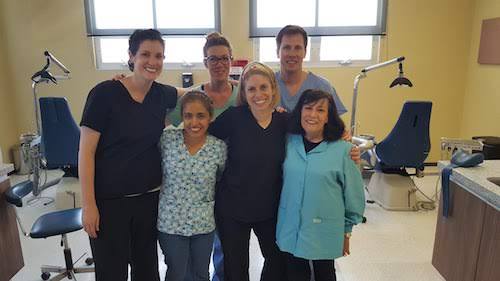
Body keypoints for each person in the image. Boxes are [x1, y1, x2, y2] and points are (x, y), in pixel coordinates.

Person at [79, 29, 179, 281]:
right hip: (110, 204)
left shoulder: (160, 94)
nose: (153, 62)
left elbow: (199, 94)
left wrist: (239, 86)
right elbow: (86, 152)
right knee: (112, 273)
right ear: (131, 56)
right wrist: (88, 205)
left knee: (147, 272)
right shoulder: (104, 94)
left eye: (159, 56)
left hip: (148, 201)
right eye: (145, 54)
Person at [208, 62, 288, 281]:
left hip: (270, 208)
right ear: (243, 92)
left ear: (273, 89)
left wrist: (344, 141)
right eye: (251, 89)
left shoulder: (284, 121)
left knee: (276, 263)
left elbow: (315, 133)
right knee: (235, 268)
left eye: (263, 87)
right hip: (232, 208)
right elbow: (200, 132)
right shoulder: (234, 117)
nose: (258, 94)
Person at [276, 89, 366, 281]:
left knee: (324, 273)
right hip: (290, 225)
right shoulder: (289, 142)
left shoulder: (345, 150)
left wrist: (347, 231)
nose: (312, 115)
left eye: (320, 110)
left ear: (328, 117)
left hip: (324, 228)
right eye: (308, 108)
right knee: (294, 273)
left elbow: (354, 195)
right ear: (300, 111)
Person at [157, 91, 227, 281]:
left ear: (210, 117)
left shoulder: (218, 148)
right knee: (177, 273)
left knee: (200, 274)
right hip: (171, 223)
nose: (194, 122)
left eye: (201, 116)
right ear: (181, 117)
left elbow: (222, 178)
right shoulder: (167, 140)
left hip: (203, 223)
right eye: (188, 116)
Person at [275, 25, 347, 114]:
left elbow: (334, 124)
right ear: (277, 52)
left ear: (305, 52)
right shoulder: (266, 85)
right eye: (287, 48)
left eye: (298, 48)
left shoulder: (322, 87)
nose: (292, 54)